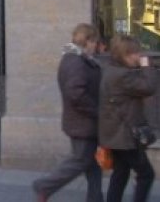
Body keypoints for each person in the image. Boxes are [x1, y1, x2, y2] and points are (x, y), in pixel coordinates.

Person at [32, 23, 104, 202]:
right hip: (82, 123)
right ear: (87, 41)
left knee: (93, 165)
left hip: (82, 121)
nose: (96, 46)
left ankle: (96, 198)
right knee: (80, 161)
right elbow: (75, 93)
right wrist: (97, 110)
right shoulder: (76, 62)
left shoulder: (77, 59)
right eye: (94, 42)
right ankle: (45, 185)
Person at [97, 34, 156, 202]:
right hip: (124, 136)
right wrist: (146, 66)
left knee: (121, 172)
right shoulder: (122, 75)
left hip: (115, 134)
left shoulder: (110, 70)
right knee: (146, 174)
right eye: (135, 53)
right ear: (125, 55)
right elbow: (149, 87)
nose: (139, 56)